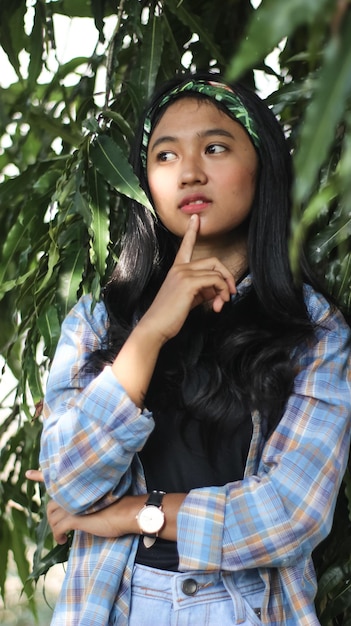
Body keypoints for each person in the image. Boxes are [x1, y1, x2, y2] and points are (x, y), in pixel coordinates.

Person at [26, 71, 351, 626]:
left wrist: (136, 514)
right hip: (116, 605)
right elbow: (71, 482)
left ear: (263, 167)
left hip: (247, 609)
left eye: (216, 147)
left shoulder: (313, 331)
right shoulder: (98, 321)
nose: (190, 172)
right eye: (165, 156)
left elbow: (291, 516)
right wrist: (151, 331)